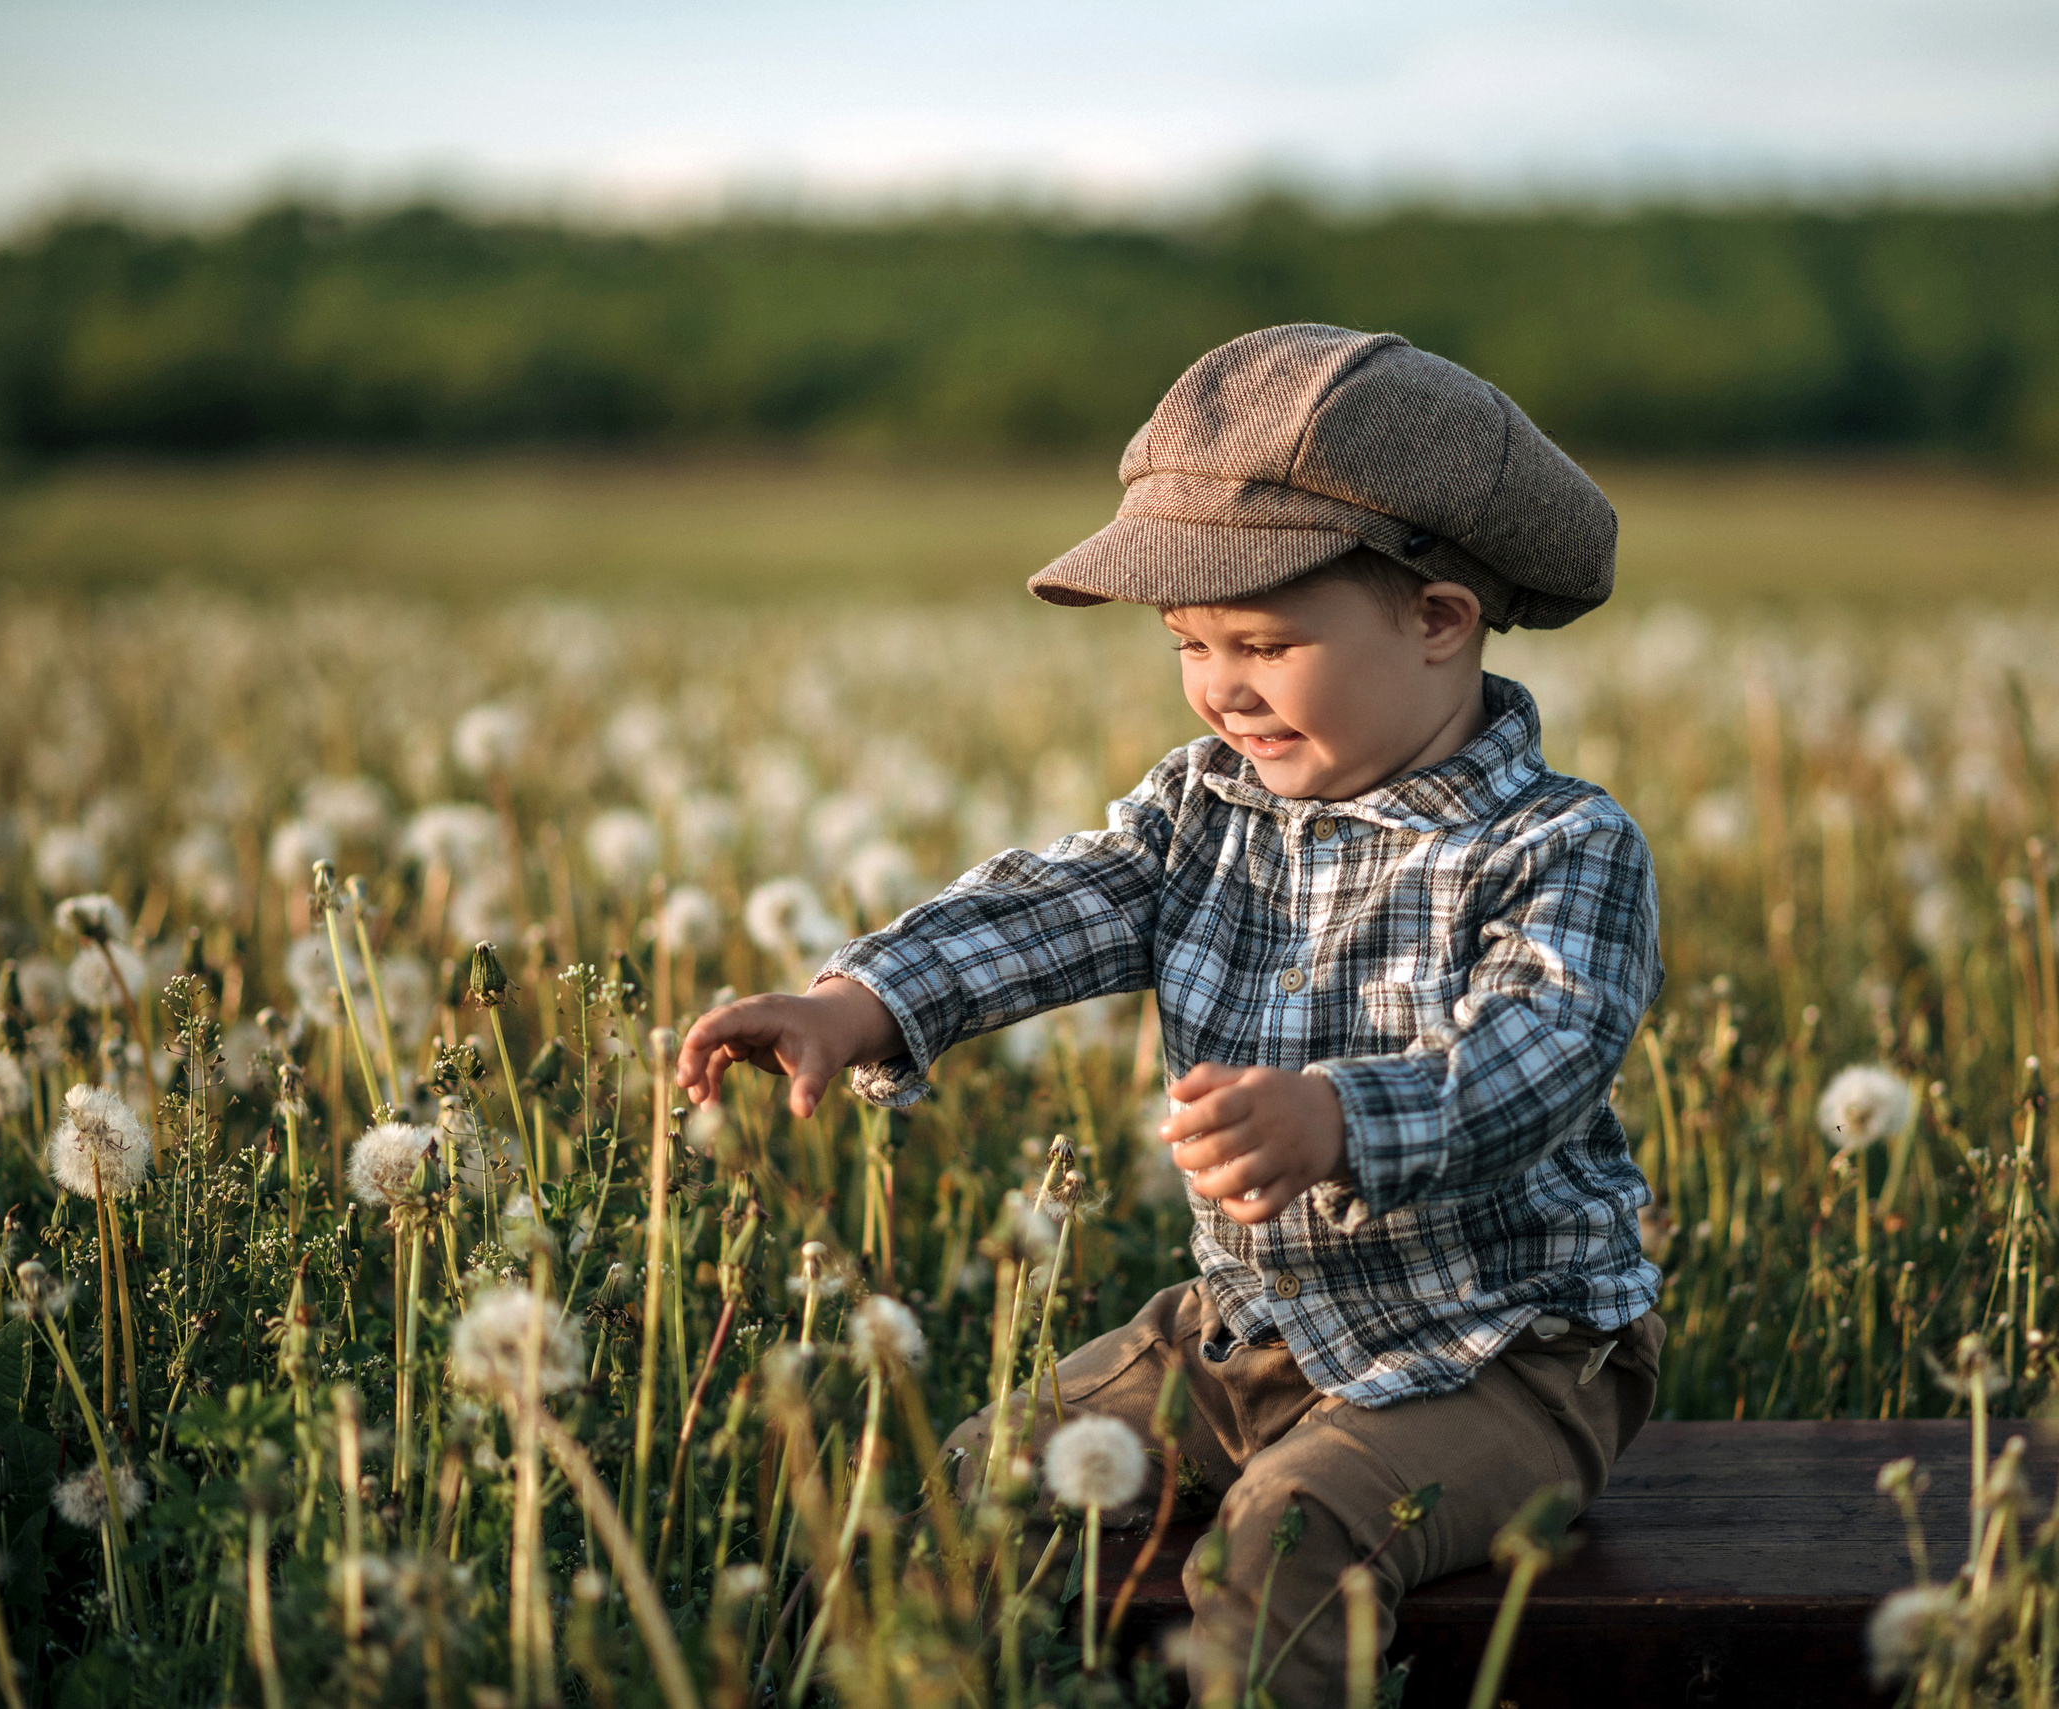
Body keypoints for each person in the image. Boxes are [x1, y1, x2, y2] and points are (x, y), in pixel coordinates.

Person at [675, 323, 1665, 1701]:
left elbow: (1542, 1052)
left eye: (1265, 642)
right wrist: (860, 1001)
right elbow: (1054, 904)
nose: (1221, 687)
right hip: (1242, 1330)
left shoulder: (1561, 846)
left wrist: (1340, 1118)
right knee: (981, 1479)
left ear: (1440, 621)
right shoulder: (1204, 808)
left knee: (1286, 1536)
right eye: (1190, 643)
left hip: (1506, 1354)